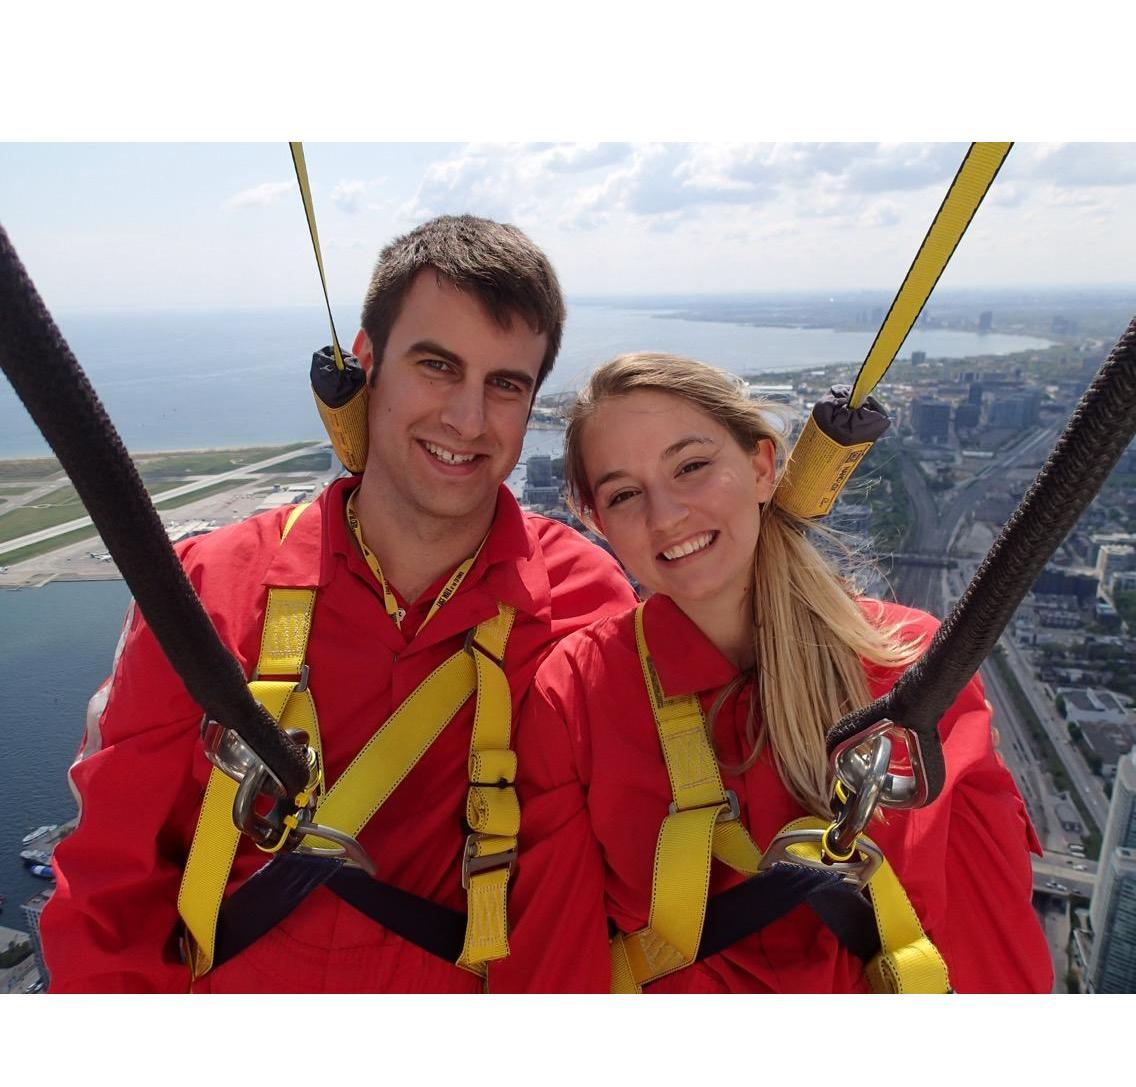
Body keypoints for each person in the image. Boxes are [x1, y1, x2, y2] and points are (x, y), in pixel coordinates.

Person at [41, 215, 637, 993]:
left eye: (505, 384)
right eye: (436, 366)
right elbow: (108, 893)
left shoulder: (588, 608)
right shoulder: (210, 591)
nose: (467, 419)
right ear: (367, 366)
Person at [495, 352, 1053, 993]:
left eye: (693, 466)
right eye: (624, 494)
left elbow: (990, 947)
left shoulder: (908, 667)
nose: (666, 514)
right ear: (598, 525)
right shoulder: (574, 694)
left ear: (762, 467)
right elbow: (552, 962)